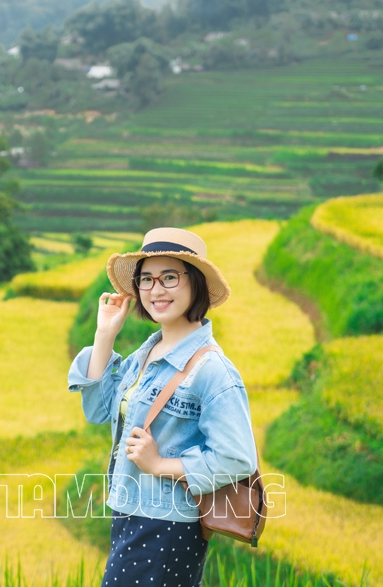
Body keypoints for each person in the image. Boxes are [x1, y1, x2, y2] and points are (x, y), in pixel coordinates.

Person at [67, 227, 258, 586]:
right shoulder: (146, 356)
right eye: (147, 280)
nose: (156, 290)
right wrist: (104, 335)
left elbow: (237, 458)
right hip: (129, 513)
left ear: (196, 283)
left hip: (167, 525)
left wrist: (160, 464)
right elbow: (97, 411)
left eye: (170, 277)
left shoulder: (212, 370)